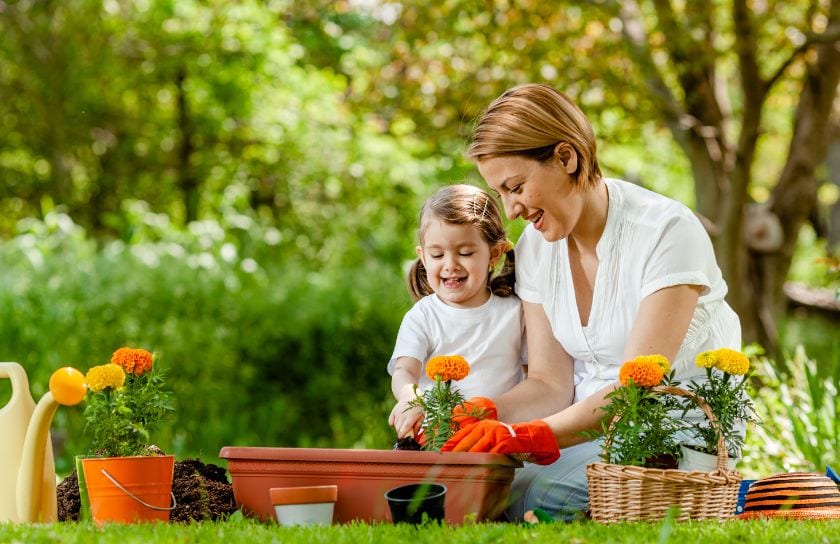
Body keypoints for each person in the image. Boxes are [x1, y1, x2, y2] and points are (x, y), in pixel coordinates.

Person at [441, 83, 743, 520]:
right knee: (474, 487)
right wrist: (486, 413)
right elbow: (549, 383)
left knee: (535, 497)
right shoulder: (535, 249)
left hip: (672, 440)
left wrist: (530, 437)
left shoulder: (665, 231)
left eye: (517, 186)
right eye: (501, 193)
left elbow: (638, 390)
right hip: (582, 435)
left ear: (567, 157)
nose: (510, 210)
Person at [388, 184, 526, 441]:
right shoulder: (423, 316)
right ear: (423, 257)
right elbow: (404, 370)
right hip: (436, 440)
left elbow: (533, 376)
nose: (450, 265)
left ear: (493, 254)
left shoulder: (515, 312)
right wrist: (410, 398)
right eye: (437, 254)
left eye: (465, 253)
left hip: (496, 441)